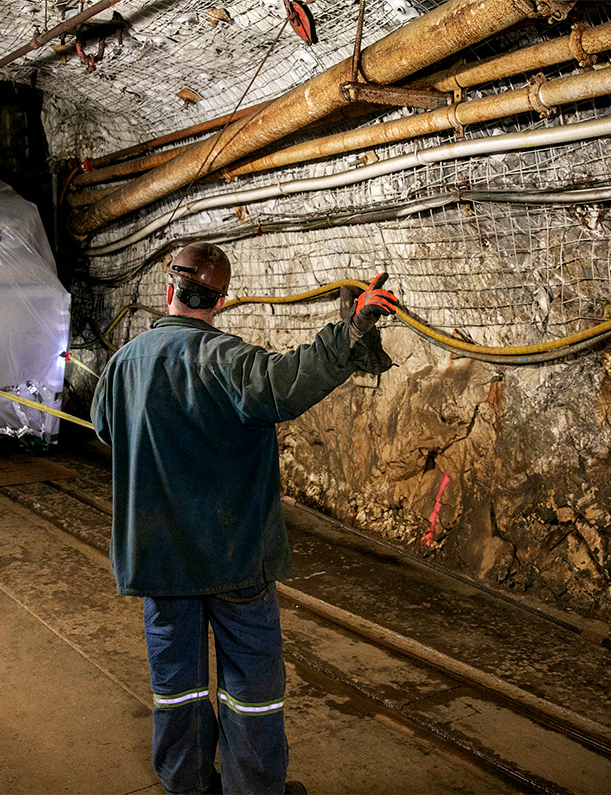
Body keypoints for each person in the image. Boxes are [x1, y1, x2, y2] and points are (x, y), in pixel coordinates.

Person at [91, 242, 398, 794]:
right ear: (221, 303)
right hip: (233, 558)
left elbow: (106, 429)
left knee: (177, 686)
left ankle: (184, 782)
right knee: (253, 688)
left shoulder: (123, 364)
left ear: (169, 292)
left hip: (159, 561)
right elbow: (285, 384)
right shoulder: (227, 360)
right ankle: (252, 788)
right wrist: (349, 332)